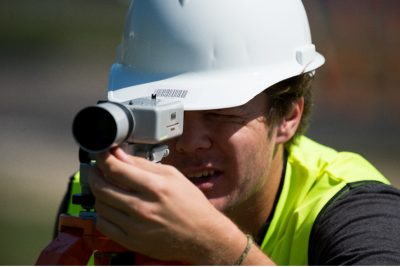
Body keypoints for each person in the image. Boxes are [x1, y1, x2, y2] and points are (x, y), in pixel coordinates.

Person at [58, 0, 400, 265]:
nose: (190, 142)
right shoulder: (98, 196)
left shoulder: (358, 214)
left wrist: (218, 248)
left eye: (221, 114)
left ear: (288, 116)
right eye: (165, 115)